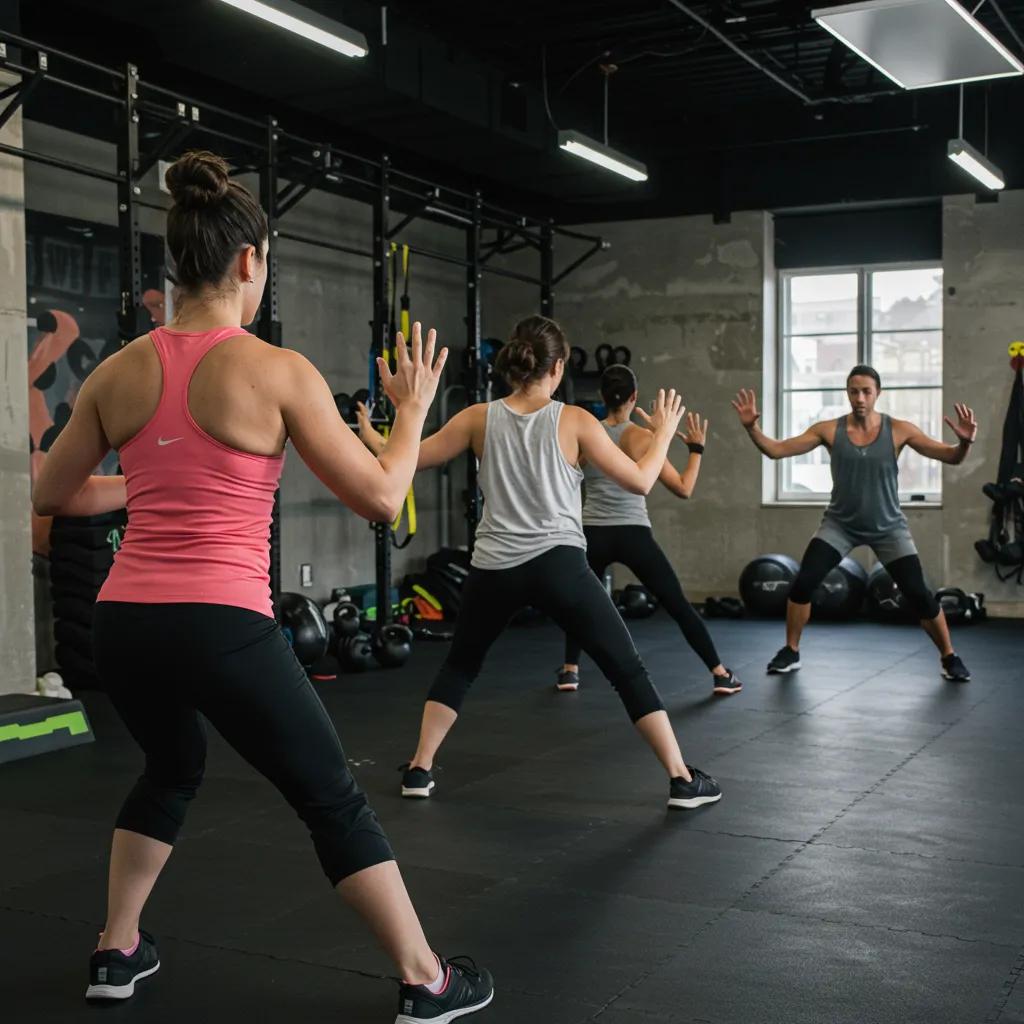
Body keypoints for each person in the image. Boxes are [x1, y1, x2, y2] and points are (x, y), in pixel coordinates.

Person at [32, 150, 493, 1023]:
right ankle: (427, 980)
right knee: (331, 797)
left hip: (124, 624)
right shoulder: (277, 370)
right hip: (220, 625)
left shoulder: (117, 371)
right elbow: (383, 498)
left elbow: (54, 495)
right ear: (249, 261)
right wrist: (411, 415)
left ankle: (116, 948)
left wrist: (156, 481)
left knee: (171, 768)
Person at [358, 316, 723, 811]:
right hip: (559, 565)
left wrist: (378, 427)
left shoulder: (477, 417)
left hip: (493, 568)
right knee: (626, 669)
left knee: (460, 666)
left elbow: (402, 458)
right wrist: (664, 434)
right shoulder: (575, 420)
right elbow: (640, 481)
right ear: (557, 368)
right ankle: (681, 779)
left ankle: (419, 769)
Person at [731, 365, 977, 681]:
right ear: (847, 393)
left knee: (919, 594)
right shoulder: (828, 430)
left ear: (878, 393)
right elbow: (776, 451)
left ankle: (949, 656)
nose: (860, 398)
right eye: (853, 391)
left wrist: (965, 443)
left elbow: (951, 456)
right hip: (840, 525)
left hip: (889, 528)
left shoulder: (899, 430)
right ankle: (791, 651)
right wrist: (752, 428)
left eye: (866, 392)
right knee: (803, 583)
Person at [557, 364, 742, 696]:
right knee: (677, 604)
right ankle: (720, 673)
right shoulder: (643, 438)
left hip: (593, 533)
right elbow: (684, 488)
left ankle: (570, 670)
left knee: (580, 604)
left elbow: (564, 478)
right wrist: (696, 449)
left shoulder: (589, 435)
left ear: (602, 396)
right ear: (634, 396)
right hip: (633, 535)